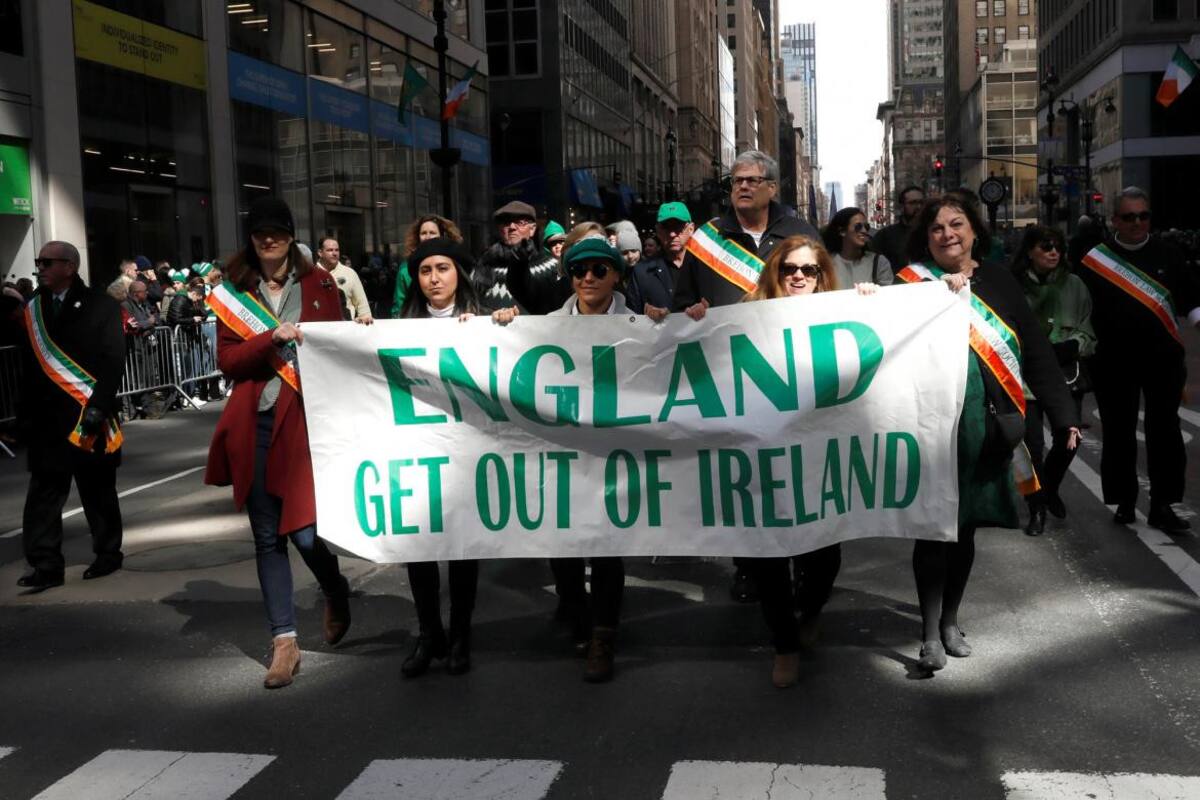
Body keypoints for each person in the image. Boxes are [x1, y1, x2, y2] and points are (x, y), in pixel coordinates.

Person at [897, 194, 1080, 672]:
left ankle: (951, 621)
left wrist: (1064, 416)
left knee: (967, 528)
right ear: (927, 238)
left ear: (975, 230)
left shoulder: (999, 280)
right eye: (936, 228)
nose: (947, 234)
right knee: (934, 529)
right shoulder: (909, 285)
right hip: (930, 427)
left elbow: (1036, 352)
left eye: (956, 224)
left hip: (989, 426)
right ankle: (928, 631)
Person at [688, 236, 873, 687]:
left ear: (822, 275)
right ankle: (784, 644)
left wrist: (871, 304)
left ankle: (809, 611)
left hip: (817, 460)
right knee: (770, 557)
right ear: (776, 270)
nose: (798, 276)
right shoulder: (746, 313)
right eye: (790, 267)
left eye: (809, 270)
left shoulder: (842, 311)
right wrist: (694, 321)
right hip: (762, 459)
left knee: (824, 554)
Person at [205, 196, 353, 689]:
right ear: (251, 240)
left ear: (292, 235)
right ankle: (284, 642)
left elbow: (339, 347)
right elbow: (228, 362)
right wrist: (270, 338)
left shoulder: (319, 283)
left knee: (306, 532)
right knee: (267, 536)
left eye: (278, 231)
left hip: (308, 422)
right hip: (257, 422)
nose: (270, 240)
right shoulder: (233, 293)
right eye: (261, 233)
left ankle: (334, 587)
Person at [673, 149, 819, 603]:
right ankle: (747, 565)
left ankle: (797, 560)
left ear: (773, 187)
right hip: (731, 380)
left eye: (753, 179)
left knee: (792, 475)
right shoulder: (709, 239)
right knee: (743, 477)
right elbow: (684, 301)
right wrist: (690, 311)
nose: (743, 186)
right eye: (736, 180)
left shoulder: (799, 234)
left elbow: (830, 294)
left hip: (792, 377)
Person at [498, 237, 634, 683]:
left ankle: (603, 634)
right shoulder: (545, 326)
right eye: (579, 271)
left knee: (608, 546)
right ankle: (576, 612)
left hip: (616, 454)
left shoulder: (641, 324)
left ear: (615, 274)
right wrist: (504, 324)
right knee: (564, 543)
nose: (588, 278)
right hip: (562, 454)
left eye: (598, 269)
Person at [394, 238, 491, 679]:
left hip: (466, 452)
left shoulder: (481, 322)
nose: (434, 278)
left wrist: (501, 324)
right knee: (421, 547)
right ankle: (429, 632)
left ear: (459, 274)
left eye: (443, 268)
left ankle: (461, 634)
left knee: (461, 546)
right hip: (420, 450)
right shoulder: (399, 327)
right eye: (426, 270)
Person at [1080, 187, 1200, 532]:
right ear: (1115, 219)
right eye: (1129, 216)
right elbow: (1082, 309)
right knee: (1118, 432)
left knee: (1165, 433)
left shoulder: (1170, 254)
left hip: (1162, 361)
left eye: (1143, 216)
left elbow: (1190, 297)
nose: (1137, 223)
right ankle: (1125, 501)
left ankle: (1164, 505)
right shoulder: (1095, 261)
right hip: (1113, 362)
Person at [17, 241, 126, 590]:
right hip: (47, 420)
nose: (41, 268)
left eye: (48, 262)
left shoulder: (100, 305)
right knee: (44, 495)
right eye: (39, 262)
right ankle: (46, 564)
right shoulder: (34, 309)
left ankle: (108, 554)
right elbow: (27, 367)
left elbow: (112, 360)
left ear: (70, 266)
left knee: (97, 491)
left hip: (86, 414)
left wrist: (99, 405)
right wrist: (23, 416)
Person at [1012, 226, 1096, 536]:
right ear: (1030, 251)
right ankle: (1037, 508)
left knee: (1068, 440)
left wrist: (1074, 344)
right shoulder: (1015, 286)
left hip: (1064, 375)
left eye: (1058, 246)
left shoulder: (1074, 285)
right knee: (1031, 446)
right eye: (1046, 246)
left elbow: (1088, 326)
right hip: (1026, 377)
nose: (1053, 252)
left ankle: (1048, 488)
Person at [475, 201, 558, 310]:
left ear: (532, 229)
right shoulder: (483, 265)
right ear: (499, 230)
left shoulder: (551, 266)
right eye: (506, 222)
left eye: (520, 222)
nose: (512, 227)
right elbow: (472, 304)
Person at [626, 202, 694, 323]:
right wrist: (646, 316)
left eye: (678, 227)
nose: (672, 234)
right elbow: (630, 319)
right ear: (658, 231)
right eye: (666, 227)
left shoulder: (705, 268)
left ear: (691, 229)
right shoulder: (641, 272)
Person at [390, 215, 463, 316]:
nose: (427, 237)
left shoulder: (455, 262)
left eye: (432, 233)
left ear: (442, 235)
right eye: (423, 233)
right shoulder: (405, 269)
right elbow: (399, 306)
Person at [823, 207, 894, 289]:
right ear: (842, 231)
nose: (864, 231)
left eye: (866, 227)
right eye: (858, 226)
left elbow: (887, 296)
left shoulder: (879, 262)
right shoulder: (825, 264)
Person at [315, 238, 372, 323]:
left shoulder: (350, 273)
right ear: (320, 253)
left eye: (337, 250)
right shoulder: (311, 274)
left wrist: (366, 319)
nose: (334, 253)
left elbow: (361, 302)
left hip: (345, 329)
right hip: (319, 329)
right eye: (330, 250)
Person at [871, 185, 924, 275]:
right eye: (913, 203)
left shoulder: (932, 233)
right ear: (902, 206)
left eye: (921, 203)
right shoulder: (885, 235)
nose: (918, 207)